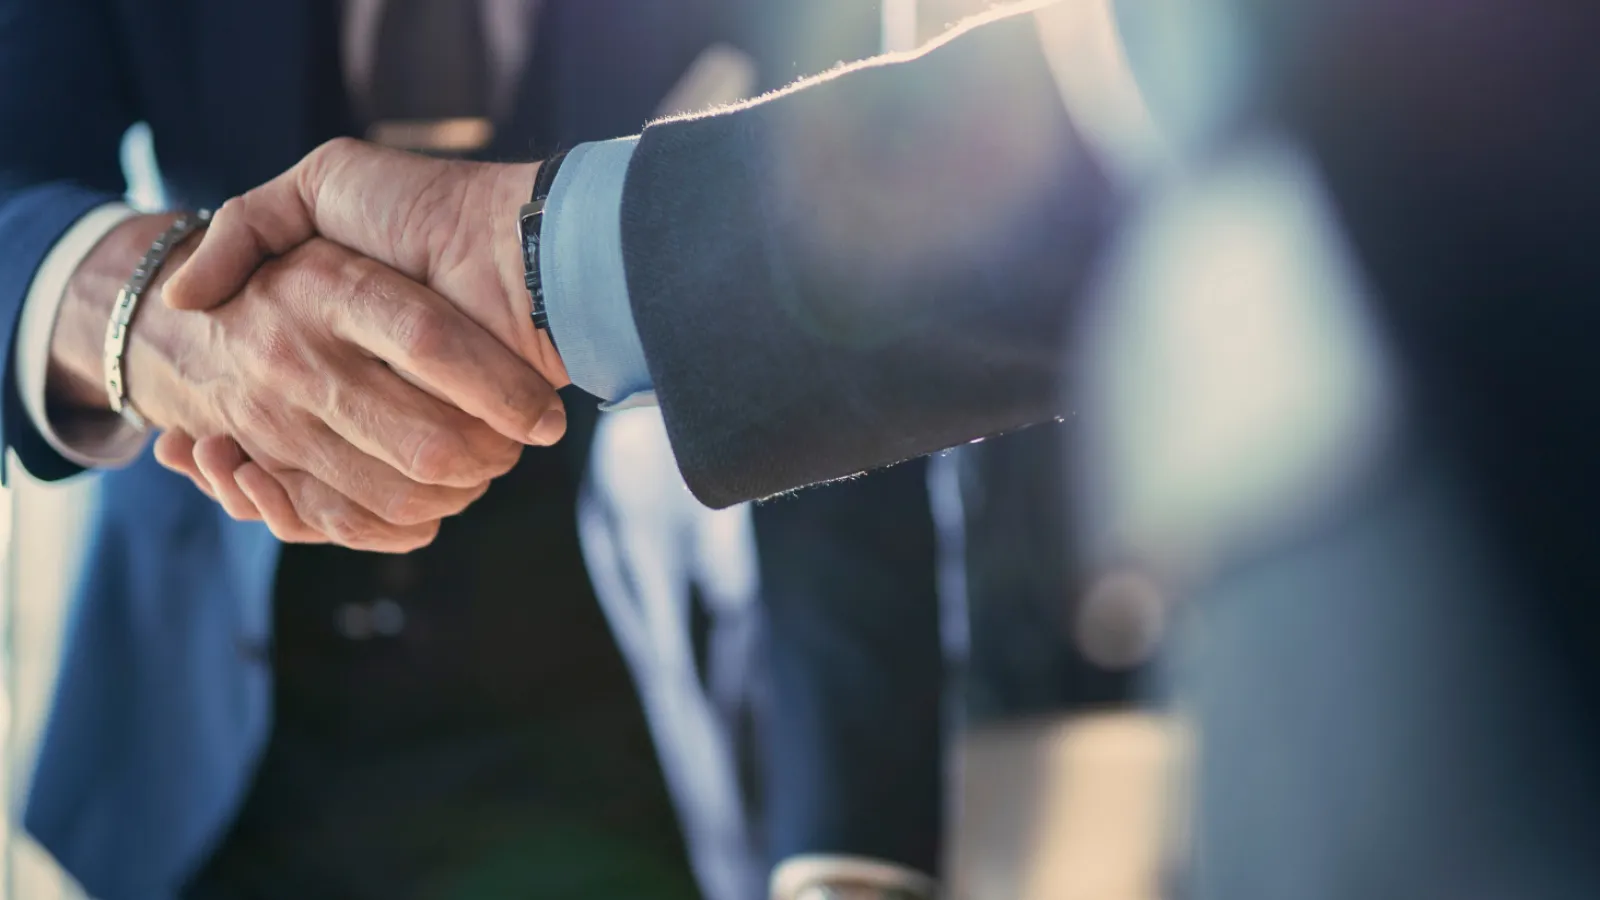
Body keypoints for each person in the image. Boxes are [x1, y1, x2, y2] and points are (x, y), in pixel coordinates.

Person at [0, 2, 949, 898]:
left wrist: (847, 849)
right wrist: (154, 319)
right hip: (202, 741)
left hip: (609, 720)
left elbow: (838, 312)